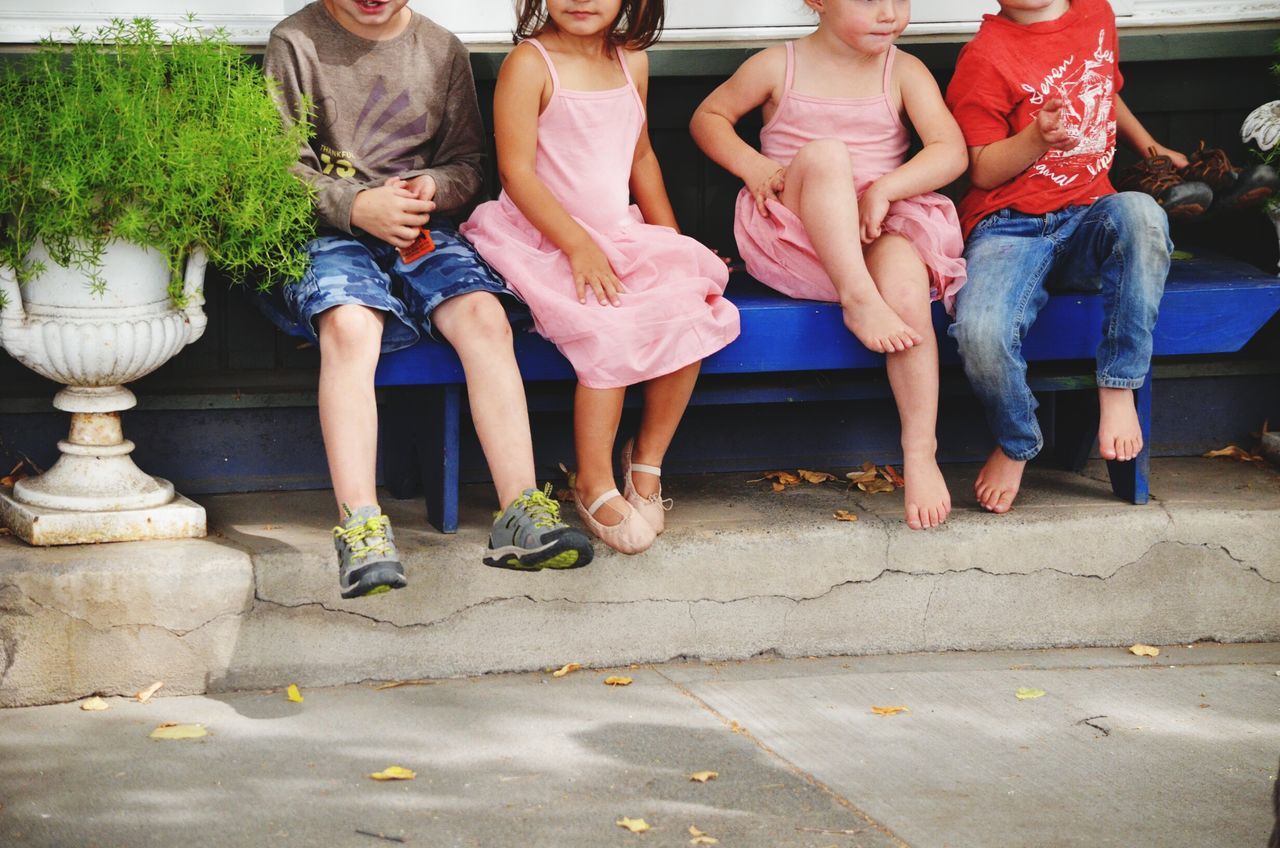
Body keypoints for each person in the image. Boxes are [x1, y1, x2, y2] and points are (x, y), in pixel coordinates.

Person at [265, 0, 593, 599]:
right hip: (326, 235)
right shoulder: (297, 43)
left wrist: (434, 186)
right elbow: (278, 167)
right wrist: (355, 204)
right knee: (350, 325)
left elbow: (468, 165)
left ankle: (520, 513)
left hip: (420, 230)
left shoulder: (442, 49)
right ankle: (361, 527)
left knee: (484, 316)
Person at [462, 0, 740, 555]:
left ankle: (647, 460)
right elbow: (516, 173)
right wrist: (578, 245)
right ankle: (592, 481)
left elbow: (640, 156)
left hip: (617, 232)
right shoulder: (531, 63)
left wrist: (671, 238)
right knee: (609, 332)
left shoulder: (630, 60)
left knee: (690, 308)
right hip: (545, 238)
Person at [690, 0, 968, 530]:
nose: (888, 13)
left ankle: (919, 448)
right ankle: (858, 298)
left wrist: (887, 187)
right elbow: (709, 117)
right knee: (825, 155)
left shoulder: (904, 70)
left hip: (878, 227)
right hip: (800, 238)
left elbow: (950, 150)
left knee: (907, 285)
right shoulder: (779, 64)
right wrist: (753, 164)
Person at [945, 0, 1179, 514]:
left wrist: (1152, 149)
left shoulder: (1096, 14)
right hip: (1010, 225)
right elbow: (981, 170)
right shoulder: (985, 56)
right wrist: (1036, 137)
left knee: (1142, 214)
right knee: (980, 332)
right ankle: (1017, 440)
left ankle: (1117, 388)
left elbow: (1106, 92)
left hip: (1090, 217)